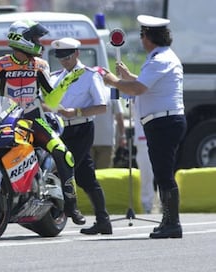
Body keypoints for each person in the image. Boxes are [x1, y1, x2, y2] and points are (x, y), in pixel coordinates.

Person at [0, 20, 87, 238]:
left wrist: (67, 81)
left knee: (63, 154)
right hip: (6, 117)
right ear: (22, 39)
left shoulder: (41, 65)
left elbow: (50, 97)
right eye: (35, 38)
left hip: (34, 118)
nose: (39, 43)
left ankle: (71, 205)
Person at [102, 15, 187, 239]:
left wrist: (113, 81)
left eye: (142, 35)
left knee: (164, 174)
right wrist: (129, 77)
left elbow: (139, 89)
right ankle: (168, 221)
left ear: (149, 37)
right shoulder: (161, 57)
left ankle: (173, 223)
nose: (140, 40)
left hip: (164, 122)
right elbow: (147, 85)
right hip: (162, 122)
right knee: (161, 173)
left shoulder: (159, 59)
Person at [50, 37, 112, 235]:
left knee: (64, 168)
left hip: (80, 128)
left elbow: (102, 106)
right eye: (60, 58)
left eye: (67, 57)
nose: (64, 61)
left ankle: (69, 210)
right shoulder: (56, 77)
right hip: (60, 129)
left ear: (77, 54)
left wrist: (74, 112)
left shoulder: (89, 75)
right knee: (86, 176)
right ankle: (103, 220)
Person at [132, 102, 156, 214]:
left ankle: (148, 203)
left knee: (149, 173)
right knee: (145, 173)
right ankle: (145, 203)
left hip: (150, 135)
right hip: (141, 138)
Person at [91, 96, 126, 169]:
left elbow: (119, 116)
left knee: (104, 173)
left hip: (107, 142)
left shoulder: (112, 91)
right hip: (88, 141)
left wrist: (122, 136)